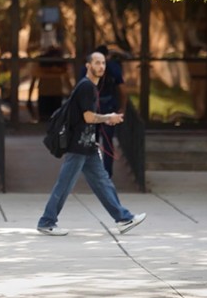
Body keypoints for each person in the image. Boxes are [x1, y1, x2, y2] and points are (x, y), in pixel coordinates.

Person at [37, 52, 145, 236]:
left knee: (103, 182)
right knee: (64, 185)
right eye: (97, 63)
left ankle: (123, 219)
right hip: (78, 145)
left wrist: (104, 121)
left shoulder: (91, 87)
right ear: (88, 66)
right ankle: (47, 221)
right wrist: (108, 118)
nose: (101, 66)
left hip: (88, 145)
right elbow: (87, 117)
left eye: (103, 63)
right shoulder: (86, 87)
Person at [78, 45, 127, 178]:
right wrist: (123, 106)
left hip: (93, 108)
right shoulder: (113, 68)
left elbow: (79, 89)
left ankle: (93, 171)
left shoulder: (87, 68)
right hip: (108, 106)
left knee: (91, 140)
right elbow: (122, 89)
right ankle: (106, 172)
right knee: (107, 140)